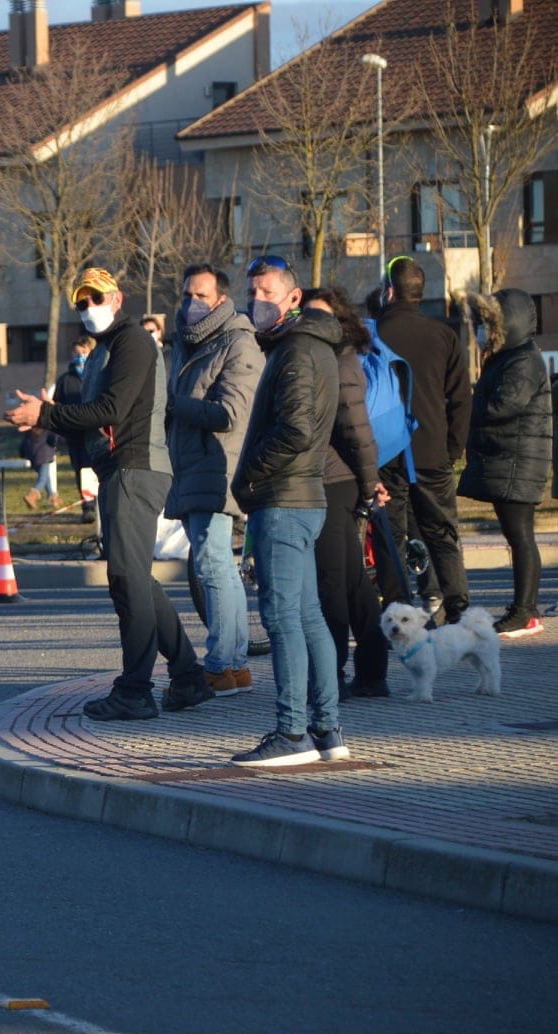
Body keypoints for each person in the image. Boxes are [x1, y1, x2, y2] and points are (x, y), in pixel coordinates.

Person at [6, 267, 213, 720]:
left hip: (136, 468)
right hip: (122, 469)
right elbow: (94, 415)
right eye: (80, 302)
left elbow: (111, 410)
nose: (88, 308)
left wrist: (47, 413)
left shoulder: (133, 342)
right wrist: (49, 415)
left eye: (95, 298)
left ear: (117, 298)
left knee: (127, 579)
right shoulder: (107, 349)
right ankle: (187, 675)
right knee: (133, 577)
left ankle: (137, 689)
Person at [228, 256, 343, 767]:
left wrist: (251, 472)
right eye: (252, 290)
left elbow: (295, 429)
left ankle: (293, 732)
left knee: (283, 619)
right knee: (308, 617)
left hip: (284, 498)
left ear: (293, 298)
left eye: (267, 291)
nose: (257, 300)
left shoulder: (296, 350)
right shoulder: (307, 347)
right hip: (301, 497)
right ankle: (326, 731)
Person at [163, 264, 260, 698]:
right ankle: (235, 665)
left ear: (221, 299)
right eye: (186, 295)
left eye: (200, 296)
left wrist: (172, 404)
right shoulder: (189, 344)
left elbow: (229, 414)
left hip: (218, 467)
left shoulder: (239, 343)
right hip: (192, 468)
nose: (190, 304)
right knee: (217, 568)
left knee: (214, 567)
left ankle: (222, 664)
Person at [303, 287, 391, 697]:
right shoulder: (326, 358)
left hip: (335, 482)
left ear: (341, 321)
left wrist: (370, 482)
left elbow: (357, 429)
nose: (314, 323)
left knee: (332, 584)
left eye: (322, 316)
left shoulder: (340, 360)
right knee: (353, 580)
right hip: (335, 479)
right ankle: (372, 672)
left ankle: (332, 676)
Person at [375, 256, 470, 621]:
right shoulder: (444, 334)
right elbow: (461, 398)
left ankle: (398, 612)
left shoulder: (373, 334)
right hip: (431, 451)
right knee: (442, 534)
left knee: (390, 536)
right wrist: (452, 449)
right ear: (420, 292)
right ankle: (458, 609)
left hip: (385, 452)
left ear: (389, 291)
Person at [459, 288, 551, 637]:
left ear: (506, 324)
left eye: (489, 323)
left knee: (521, 536)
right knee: (518, 536)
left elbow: (503, 405)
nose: (483, 330)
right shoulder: (507, 356)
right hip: (511, 459)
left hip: (519, 462)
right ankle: (524, 609)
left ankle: (525, 612)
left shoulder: (524, 359)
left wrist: (467, 407)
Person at [53, 335, 97, 523]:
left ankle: (100, 504)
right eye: (76, 353)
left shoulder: (98, 374)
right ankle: (88, 507)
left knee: (96, 470)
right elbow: (57, 406)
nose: (79, 356)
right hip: (75, 435)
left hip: (96, 433)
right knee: (82, 471)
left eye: (84, 352)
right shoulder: (65, 380)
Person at [19, 419, 58, 512]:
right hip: (44, 456)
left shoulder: (30, 431)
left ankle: (53, 497)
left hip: (33, 457)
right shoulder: (47, 429)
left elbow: (23, 444)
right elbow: (53, 440)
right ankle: (31, 496)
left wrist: (23, 454)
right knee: (43, 479)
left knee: (46, 477)